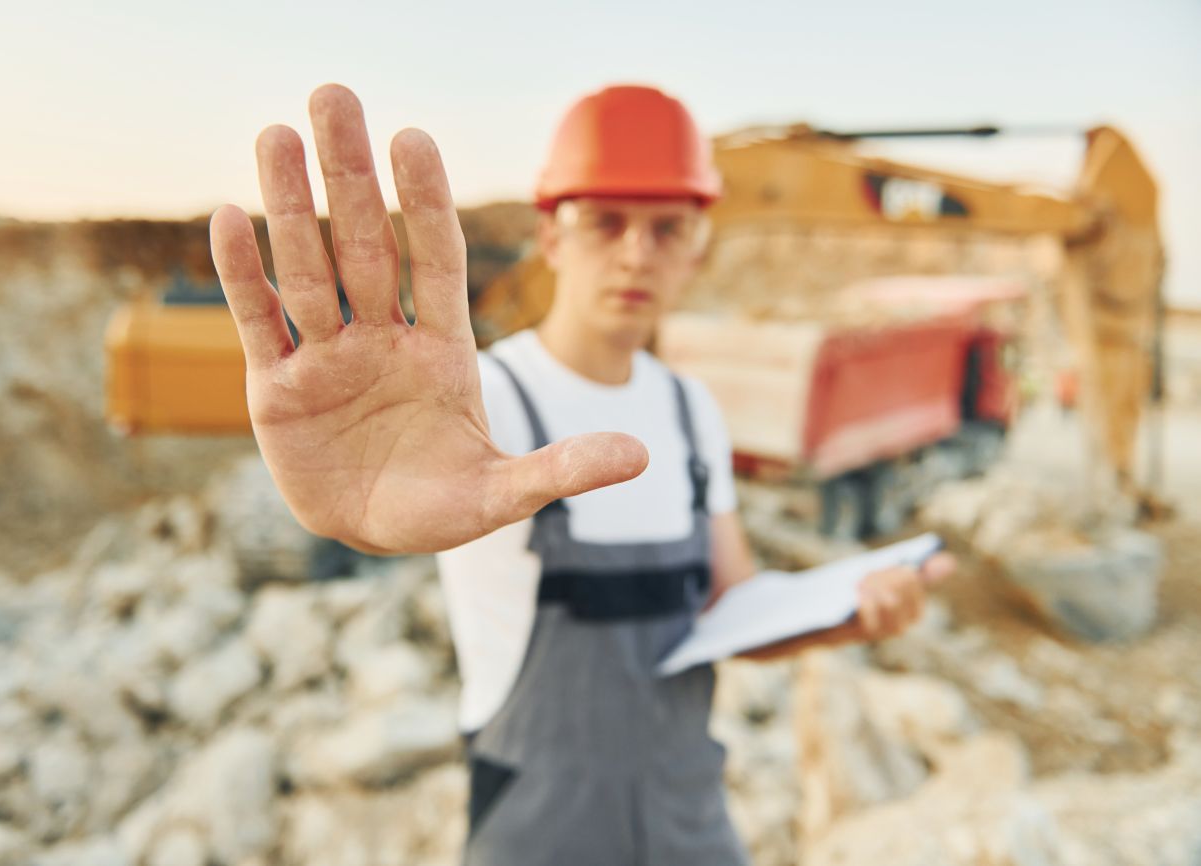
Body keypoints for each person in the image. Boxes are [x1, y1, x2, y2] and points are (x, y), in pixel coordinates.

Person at [210, 82, 954, 866]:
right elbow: (396, 489)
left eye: (669, 228)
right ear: (553, 238)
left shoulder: (689, 410)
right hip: (538, 828)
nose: (637, 252)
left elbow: (730, 604)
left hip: (687, 818)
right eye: (606, 222)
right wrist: (347, 512)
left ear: (697, 246)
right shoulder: (479, 402)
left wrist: (842, 612)